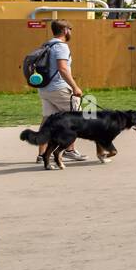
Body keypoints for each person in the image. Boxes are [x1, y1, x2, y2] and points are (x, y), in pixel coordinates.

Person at [35, 19, 87, 162]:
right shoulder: (61, 46)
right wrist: (75, 87)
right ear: (65, 30)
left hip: (45, 89)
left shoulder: (47, 44)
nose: (70, 32)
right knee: (75, 118)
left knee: (47, 122)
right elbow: (63, 68)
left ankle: (42, 154)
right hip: (59, 88)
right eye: (70, 29)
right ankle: (69, 150)